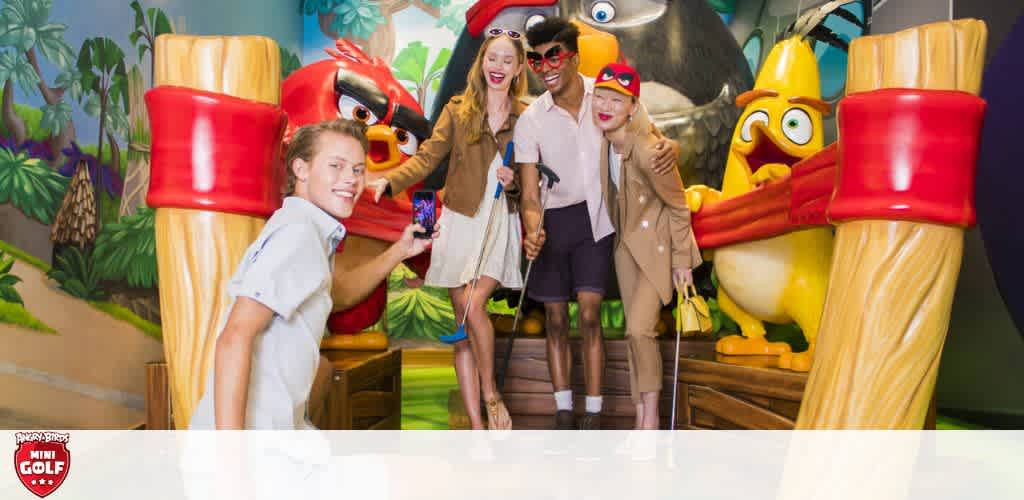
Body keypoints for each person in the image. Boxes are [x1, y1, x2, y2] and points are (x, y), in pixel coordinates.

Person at [188, 118, 437, 430]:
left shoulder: (307, 230)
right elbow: (235, 336)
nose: (351, 180)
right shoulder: (298, 235)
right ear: (301, 170)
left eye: (358, 170)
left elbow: (338, 292)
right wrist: (231, 460)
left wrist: (401, 250)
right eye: (336, 166)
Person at [515, 17, 681, 430]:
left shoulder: (605, 95)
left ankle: (593, 411)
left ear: (573, 56)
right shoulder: (530, 120)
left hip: (597, 220)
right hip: (553, 222)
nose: (546, 66)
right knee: (555, 318)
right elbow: (531, 195)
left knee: (589, 314)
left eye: (554, 55)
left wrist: (670, 145)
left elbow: (650, 135)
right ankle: (563, 408)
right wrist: (531, 229)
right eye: (536, 60)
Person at [369, 29, 528, 430]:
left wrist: (516, 183)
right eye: (493, 58)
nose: (498, 67)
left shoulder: (526, 117)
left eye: (508, 61)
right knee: (462, 322)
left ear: (519, 69)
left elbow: (533, 181)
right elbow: (425, 159)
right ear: (482, 62)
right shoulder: (458, 110)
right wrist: (389, 182)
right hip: (459, 220)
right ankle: (477, 425)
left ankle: (491, 395)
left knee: (474, 306)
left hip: (498, 222)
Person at [592, 63, 701, 429]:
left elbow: (678, 205)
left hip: (657, 250)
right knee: (632, 333)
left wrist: (682, 260)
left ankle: (651, 419)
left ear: (633, 107)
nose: (604, 106)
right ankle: (640, 416)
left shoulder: (651, 151)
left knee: (641, 330)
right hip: (626, 249)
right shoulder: (605, 142)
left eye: (615, 100)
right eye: (600, 97)